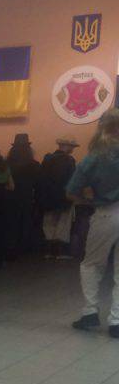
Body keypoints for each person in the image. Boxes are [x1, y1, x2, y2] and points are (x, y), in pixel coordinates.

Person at [68, 109, 119, 338]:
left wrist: (89, 200)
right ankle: (116, 321)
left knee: (91, 264)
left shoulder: (94, 157)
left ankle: (90, 312)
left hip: (106, 213)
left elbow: (71, 191)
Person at [39, 137, 79, 260]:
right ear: (66, 146)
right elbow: (73, 180)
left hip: (48, 197)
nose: (73, 149)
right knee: (63, 224)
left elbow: (42, 179)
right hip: (64, 197)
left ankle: (49, 251)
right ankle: (60, 252)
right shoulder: (69, 160)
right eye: (72, 147)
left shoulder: (47, 159)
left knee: (48, 224)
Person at [5, 134, 41, 260]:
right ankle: (23, 248)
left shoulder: (7, 163)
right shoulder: (34, 164)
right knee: (25, 221)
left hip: (10, 195)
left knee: (11, 222)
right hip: (26, 195)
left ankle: (11, 247)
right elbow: (38, 182)